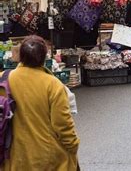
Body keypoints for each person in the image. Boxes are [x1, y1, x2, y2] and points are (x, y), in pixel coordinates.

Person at [3, 36, 80, 170]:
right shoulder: (53, 85)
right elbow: (62, 124)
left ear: (21, 56)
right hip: (46, 157)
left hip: (12, 155)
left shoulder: (4, 79)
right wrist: (73, 146)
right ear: (44, 58)